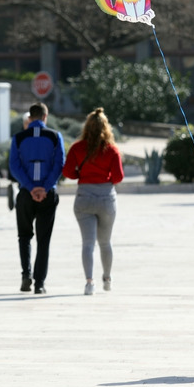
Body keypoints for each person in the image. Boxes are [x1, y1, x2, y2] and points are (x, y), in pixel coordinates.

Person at [62, 108, 124, 296]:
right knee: (105, 242)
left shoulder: (77, 148)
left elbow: (67, 172)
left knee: (87, 243)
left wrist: (80, 174)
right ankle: (107, 278)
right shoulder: (112, 149)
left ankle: (89, 283)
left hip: (84, 197)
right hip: (106, 198)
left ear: (86, 127)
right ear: (106, 127)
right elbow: (119, 176)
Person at [9, 102, 65, 295]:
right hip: (48, 194)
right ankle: (39, 283)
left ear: (30, 118)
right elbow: (59, 165)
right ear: (45, 116)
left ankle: (26, 275)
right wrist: (44, 187)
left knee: (24, 236)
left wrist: (31, 188)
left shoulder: (18, 138)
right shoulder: (55, 137)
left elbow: (14, 167)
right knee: (44, 239)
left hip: (26, 193)